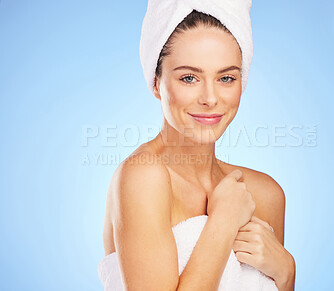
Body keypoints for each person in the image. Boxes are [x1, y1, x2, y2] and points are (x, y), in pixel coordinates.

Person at [98, 2, 295, 290]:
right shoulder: (143, 177)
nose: (210, 98)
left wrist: (288, 272)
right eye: (189, 78)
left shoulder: (265, 194)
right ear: (156, 82)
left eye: (226, 78)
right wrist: (223, 222)